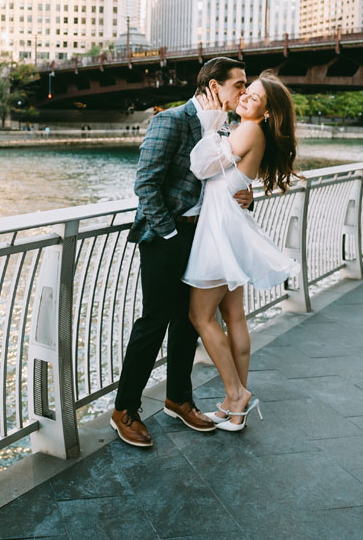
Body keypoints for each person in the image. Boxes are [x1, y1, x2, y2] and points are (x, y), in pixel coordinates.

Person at [112, 57, 254, 448]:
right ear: (212, 86)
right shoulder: (171, 120)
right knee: (154, 321)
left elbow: (224, 180)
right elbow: (146, 184)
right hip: (167, 237)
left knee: (190, 321)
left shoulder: (223, 126)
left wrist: (245, 193)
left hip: (205, 237)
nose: (244, 92)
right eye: (238, 85)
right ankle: (125, 408)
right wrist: (171, 235)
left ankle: (179, 398)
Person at [183, 70, 300, 431]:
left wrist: (213, 120)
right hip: (230, 225)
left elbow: (201, 166)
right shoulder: (251, 131)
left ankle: (236, 394)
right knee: (234, 317)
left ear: (266, 112)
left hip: (220, 233)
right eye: (246, 91)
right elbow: (231, 178)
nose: (246, 97)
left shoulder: (247, 130)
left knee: (200, 317)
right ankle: (235, 405)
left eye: (255, 98)